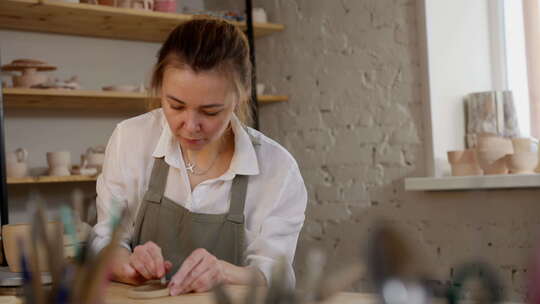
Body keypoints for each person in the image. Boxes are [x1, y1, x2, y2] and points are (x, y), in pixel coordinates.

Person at [90, 18, 307, 295]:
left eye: (210, 111)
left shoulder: (278, 170)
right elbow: (106, 240)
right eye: (176, 105)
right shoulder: (131, 140)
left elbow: (275, 276)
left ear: (240, 97)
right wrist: (125, 263)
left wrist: (225, 272)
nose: (190, 126)